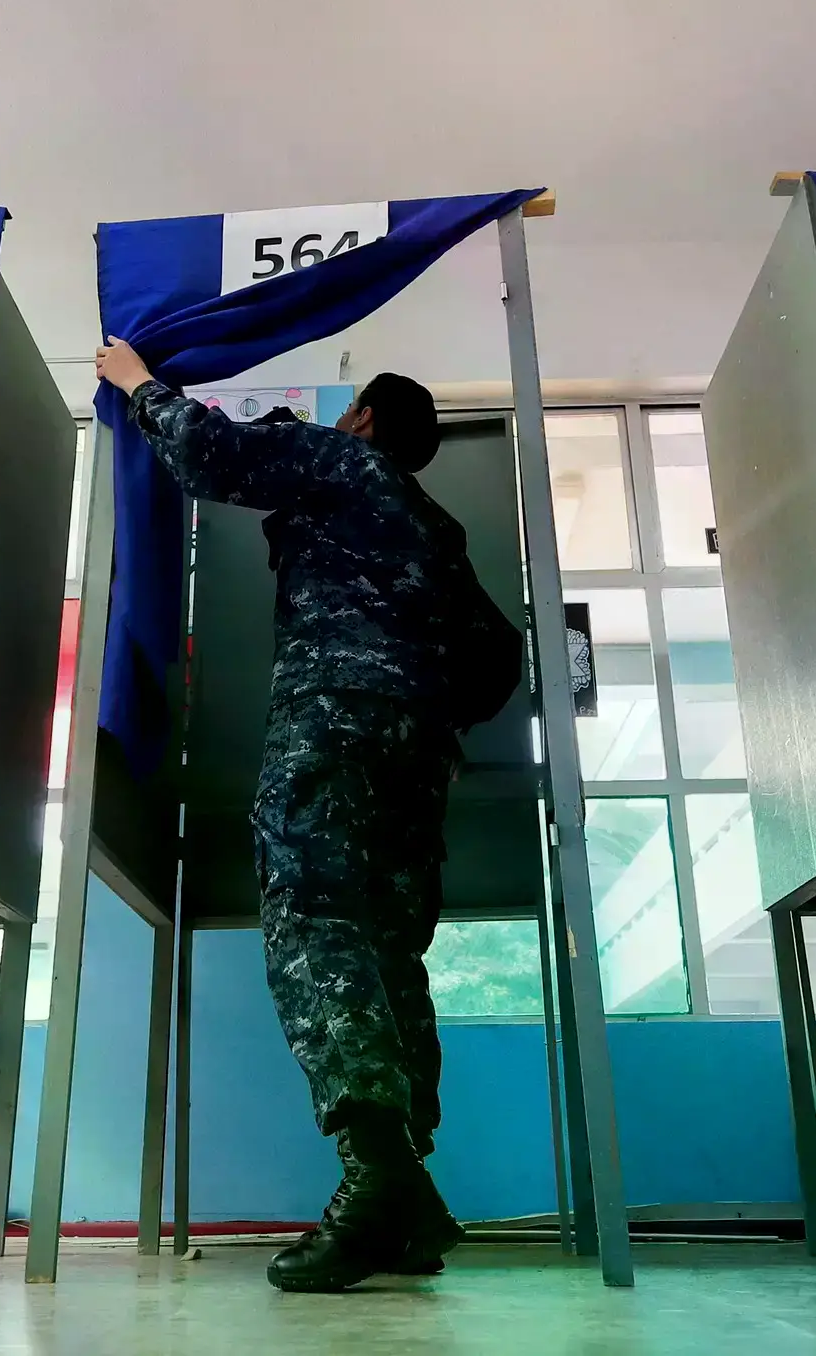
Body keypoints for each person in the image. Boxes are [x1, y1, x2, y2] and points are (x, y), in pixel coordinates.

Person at [95, 337, 520, 1293]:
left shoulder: (340, 461)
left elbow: (214, 457)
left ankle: (376, 1182)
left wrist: (137, 385)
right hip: (418, 754)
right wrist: (424, 702)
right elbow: (499, 658)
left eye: (348, 412)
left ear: (363, 418)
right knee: (386, 950)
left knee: (315, 921)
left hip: (332, 718)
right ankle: (412, 1203)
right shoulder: (435, 526)